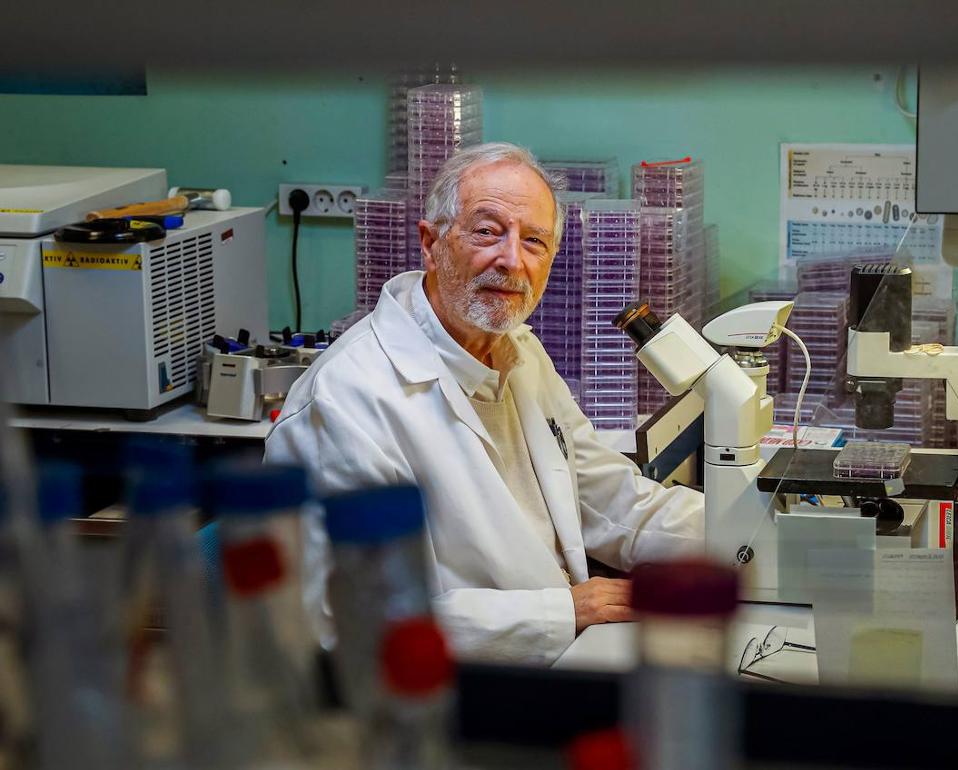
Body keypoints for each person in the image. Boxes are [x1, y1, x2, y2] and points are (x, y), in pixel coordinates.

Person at [266, 142, 704, 665]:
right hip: (444, 697)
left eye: (535, 241)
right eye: (487, 231)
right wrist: (563, 611)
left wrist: (749, 535)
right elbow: (348, 622)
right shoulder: (346, 401)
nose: (511, 259)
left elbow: (604, 498)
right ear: (430, 244)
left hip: (559, 657)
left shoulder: (518, 349)